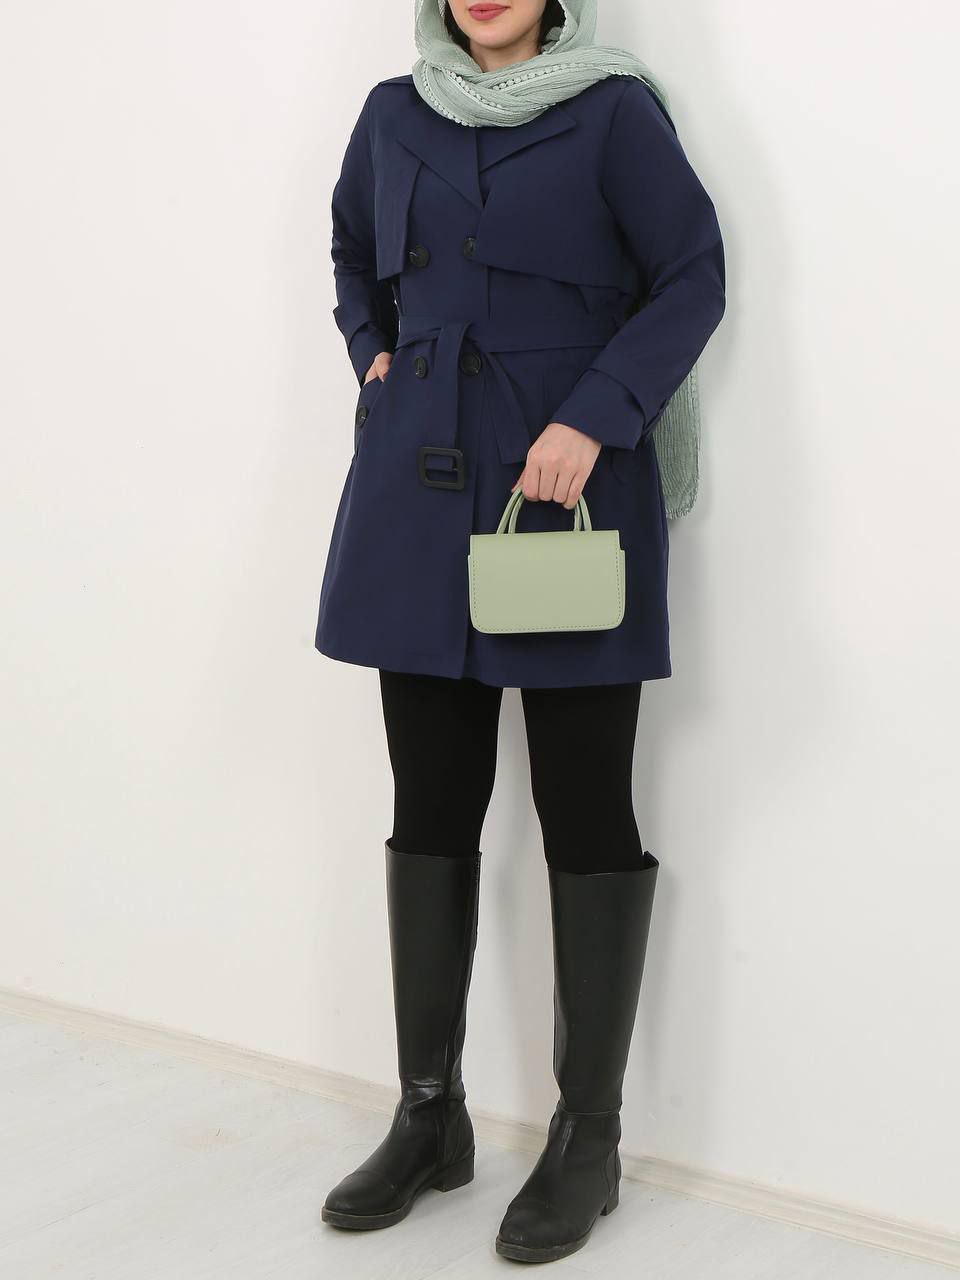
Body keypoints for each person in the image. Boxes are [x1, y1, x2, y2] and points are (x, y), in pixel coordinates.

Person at [316, 0, 726, 1264]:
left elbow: (693, 275)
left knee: (585, 808)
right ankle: (428, 1114)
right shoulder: (394, 115)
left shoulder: (613, 112)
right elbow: (349, 251)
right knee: (430, 802)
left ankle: (588, 1138)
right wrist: (374, 352)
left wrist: (598, 412)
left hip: (563, 498)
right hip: (416, 496)